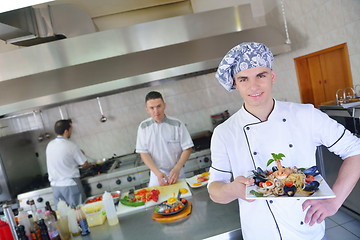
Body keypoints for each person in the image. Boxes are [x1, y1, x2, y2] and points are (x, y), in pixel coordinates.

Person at [207, 42, 360, 240]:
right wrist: (231, 189)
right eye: (243, 79)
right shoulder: (224, 132)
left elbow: (355, 150)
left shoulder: (306, 114)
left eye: (260, 75)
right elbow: (214, 191)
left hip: (307, 232)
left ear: (272, 76)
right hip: (259, 234)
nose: (253, 86)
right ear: (235, 84)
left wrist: (334, 201)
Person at [136, 91, 194, 187]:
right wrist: (158, 173)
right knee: (159, 200)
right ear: (147, 110)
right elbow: (143, 153)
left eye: (159, 106)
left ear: (164, 105)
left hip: (176, 171)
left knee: (183, 199)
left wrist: (177, 168)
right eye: (152, 108)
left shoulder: (177, 124)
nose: (156, 111)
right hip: (156, 174)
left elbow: (187, 148)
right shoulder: (143, 127)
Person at [46, 119, 89, 207]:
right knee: (79, 213)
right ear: (66, 131)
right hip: (70, 185)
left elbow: (62, 157)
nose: (72, 131)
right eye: (71, 129)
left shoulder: (50, 145)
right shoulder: (71, 146)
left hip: (55, 187)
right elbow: (84, 164)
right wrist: (81, 154)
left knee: (65, 216)